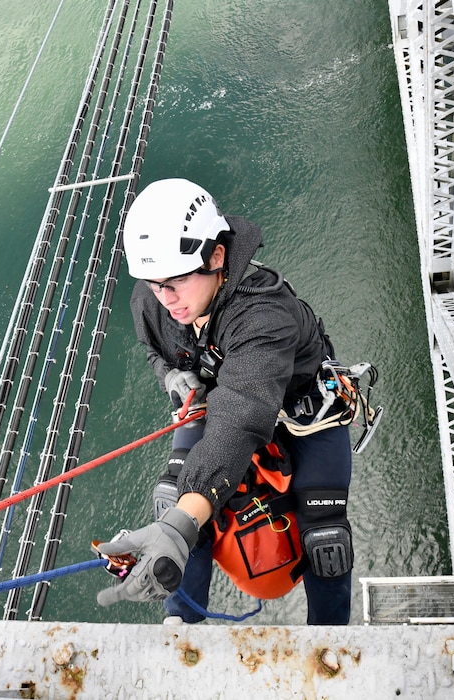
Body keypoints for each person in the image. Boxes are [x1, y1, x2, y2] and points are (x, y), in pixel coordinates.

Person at [96, 178, 355, 625]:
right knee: (174, 508)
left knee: (326, 540)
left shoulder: (264, 316)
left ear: (216, 256)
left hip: (302, 411)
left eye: (176, 281)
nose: (166, 298)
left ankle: (330, 646)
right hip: (219, 397)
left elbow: (240, 418)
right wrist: (169, 374)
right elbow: (155, 349)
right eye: (155, 284)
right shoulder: (155, 299)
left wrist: (184, 520)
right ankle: (182, 629)